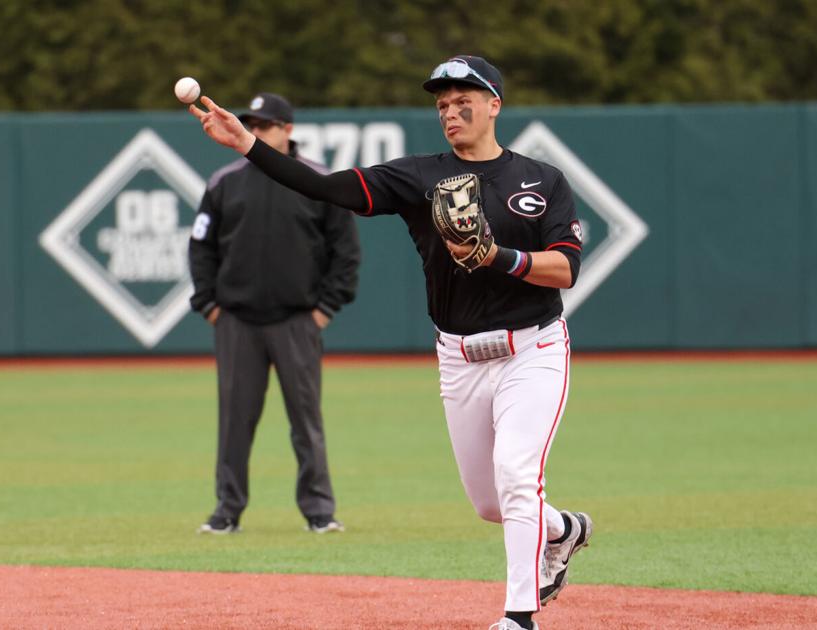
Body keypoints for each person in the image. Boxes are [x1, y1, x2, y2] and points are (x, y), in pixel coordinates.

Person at [188, 57, 591, 629]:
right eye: (442, 105)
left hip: (533, 347)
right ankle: (564, 529)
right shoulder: (419, 177)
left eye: (463, 101)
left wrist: (496, 256)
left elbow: (565, 269)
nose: (451, 112)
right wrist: (249, 147)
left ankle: (518, 618)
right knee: (490, 504)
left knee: (517, 475)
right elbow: (325, 187)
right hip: (459, 356)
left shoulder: (542, 181)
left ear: (495, 103)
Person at [188, 92, 360, 537]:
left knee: (306, 421)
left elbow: (346, 253)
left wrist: (324, 310)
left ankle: (319, 512)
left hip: (297, 320)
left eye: (265, 125)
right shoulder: (225, 181)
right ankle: (227, 511)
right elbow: (201, 247)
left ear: (288, 129)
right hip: (238, 322)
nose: (256, 131)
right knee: (234, 421)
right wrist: (209, 305)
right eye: (252, 124)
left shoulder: (319, 180)